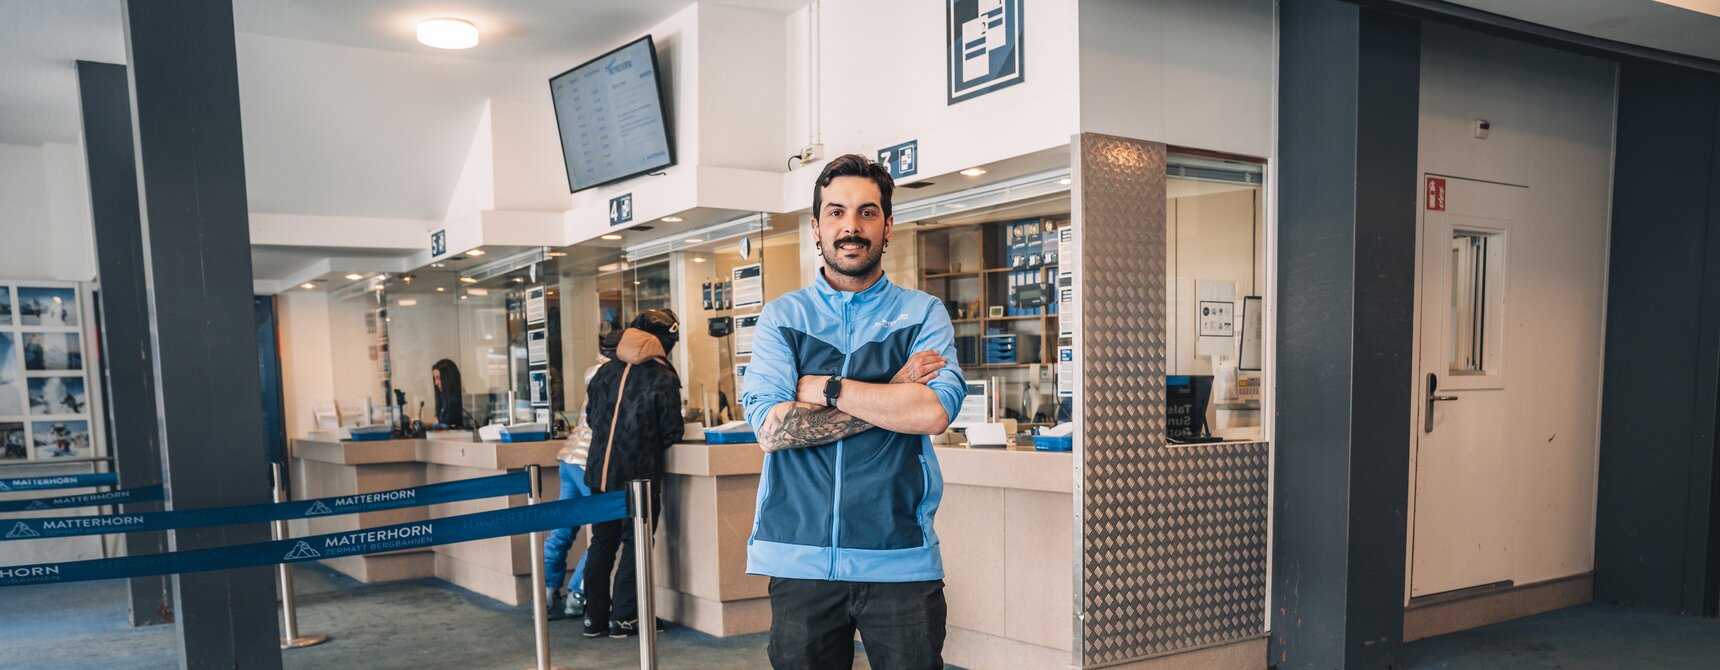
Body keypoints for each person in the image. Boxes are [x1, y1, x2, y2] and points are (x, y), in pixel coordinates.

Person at [740, 154, 967, 670]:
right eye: (836, 212)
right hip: (798, 556)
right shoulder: (783, 317)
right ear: (816, 227)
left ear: (888, 226)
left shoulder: (922, 313)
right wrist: (892, 392)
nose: (851, 226)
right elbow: (772, 431)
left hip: (899, 557)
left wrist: (826, 388)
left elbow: (932, 413)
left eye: (867, 212)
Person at [581, 309, 683, 638]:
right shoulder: (663, 376)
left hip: (599, 471)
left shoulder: (604, 371)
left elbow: (592, 419)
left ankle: (594, 617)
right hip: (637, 475)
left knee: (602, 542)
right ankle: (625, 617)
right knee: (635, 543)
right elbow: (672, 430)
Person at [542, 330, 622, 621]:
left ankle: (547, 593)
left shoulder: (593, 371)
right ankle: (578, 592)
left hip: (568, 458)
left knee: (563, 531)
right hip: (589, 463)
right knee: (606, 532)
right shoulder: (614, 374)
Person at [431, 359, 465, 429]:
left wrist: (430, 426)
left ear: (449, 378)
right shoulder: (443, 400)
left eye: (439, 378)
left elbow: (451, 427)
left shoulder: (459, 402)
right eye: (434, 379)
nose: (436, 383)